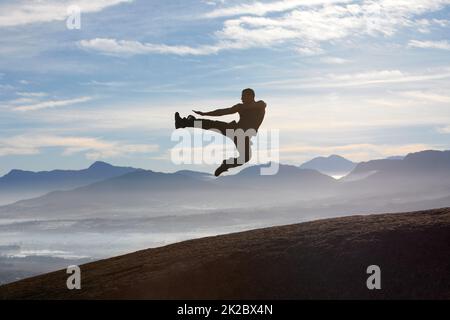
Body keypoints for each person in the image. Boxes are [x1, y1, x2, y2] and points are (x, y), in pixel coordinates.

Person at [175, 88, 267, 176]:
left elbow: (260, 105)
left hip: (244, 137)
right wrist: (206, 113)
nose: (241, 98)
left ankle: (226, 165)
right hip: (234, 130)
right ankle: (184, 122)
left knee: (245, 158)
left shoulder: (260, 105)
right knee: (212, 125)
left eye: (243, 96)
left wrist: (241, 107)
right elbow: (222, 112)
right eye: (241, 96)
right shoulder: (241, 107)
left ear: (251, 96)